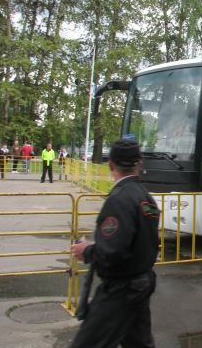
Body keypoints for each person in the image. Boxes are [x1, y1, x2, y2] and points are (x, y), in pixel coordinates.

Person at [70, 138, 160, 348]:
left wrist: (87, 251)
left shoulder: (119, 199)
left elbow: (112, 251)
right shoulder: (147, 198)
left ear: (110, 165)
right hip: (140, 283)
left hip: (122, 289)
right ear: (140, 164)